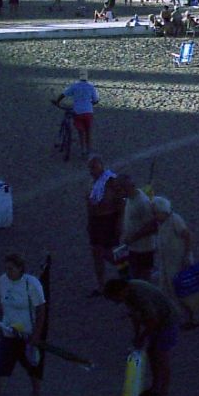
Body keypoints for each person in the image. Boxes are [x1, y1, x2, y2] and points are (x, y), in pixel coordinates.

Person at [104, 278, 180, 396]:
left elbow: (152, 321)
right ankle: (156, 388)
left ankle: (163, 392)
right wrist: (137, 335)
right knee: (152, 352)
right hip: (159, 319)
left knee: (161, 357)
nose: (116, 301)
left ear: (121, 291)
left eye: (115, 298)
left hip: (167, 321)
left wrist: (141, 337)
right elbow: (136, 316)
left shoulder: (139, 296)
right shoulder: (130, 293)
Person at [0, 253, 46, 396]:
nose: (8, 272)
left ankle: (36, 394)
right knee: (3, 369)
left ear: (20, 268)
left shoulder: (32, 284)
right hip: (9, 334)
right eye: (6, 269)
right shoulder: (2, 281)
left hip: (27, 336)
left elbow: (41, 310)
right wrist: (2, 322)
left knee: (32, 370)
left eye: (11, 269)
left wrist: (36, 335)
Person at [150, 196, 199, 329]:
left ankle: (191, 318)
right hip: (167, 264)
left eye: (155, 212)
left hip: (178, 263)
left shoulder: (174, 220)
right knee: (166, 290)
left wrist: (187, 255)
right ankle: (175, 316)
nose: (154, 216)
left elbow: (187, 235)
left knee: (180, 291)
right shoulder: (163, 223)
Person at [85, 154, 123, 295]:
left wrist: (119, 222)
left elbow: (121, 201)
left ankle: (127, 271)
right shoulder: (92, 182)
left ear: (102, 165)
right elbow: (89, 203)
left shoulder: (111, 180)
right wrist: (89, 222)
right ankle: (100, 284)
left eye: (94, 166)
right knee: (96, 252)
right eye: (90, 167)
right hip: (96, 221)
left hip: (109, 219)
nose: (92, 170)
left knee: (108, 252)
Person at [118, 175, 157, 282]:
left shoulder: (142, 203)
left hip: (144, 249)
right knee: (135, 277)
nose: (119, 193)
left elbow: (153, 226)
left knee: (142, 279)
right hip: (134, 248)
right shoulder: (130, 199)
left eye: (121, 189)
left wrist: (132, 238)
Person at [54, 69, 100, 158]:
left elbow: (63, 94)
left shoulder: (74, 86)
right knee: (88, 131)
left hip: (78, 111)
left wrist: (57, 102)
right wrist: (90, 104)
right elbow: (96, 100)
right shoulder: (91, 87)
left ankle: (82, 150)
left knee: (81, 132)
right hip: (88, 111)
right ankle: (89, 151)